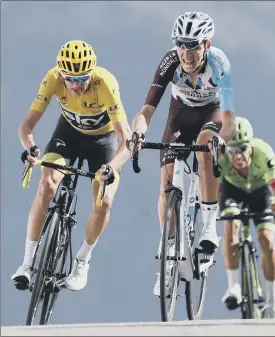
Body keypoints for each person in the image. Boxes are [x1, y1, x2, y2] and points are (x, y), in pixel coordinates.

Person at [129, 11, 236, 296]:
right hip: (180, 115)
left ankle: (209, 229)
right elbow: (146, 110)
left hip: (212, 114)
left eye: (194, 45)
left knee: (204, 148)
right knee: (167, 184)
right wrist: (137, 133)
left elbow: (229, 116)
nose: (187, 53)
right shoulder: (169, 62)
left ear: (207, 45)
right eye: (181, 44)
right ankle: (169, 250)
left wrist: (221, 141)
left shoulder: (219, 64)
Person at [11, 40, 132, 291]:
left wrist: (112, 167)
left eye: (82, 79)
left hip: (103, 142)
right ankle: (27, 263)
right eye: (70, 79)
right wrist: (30, 147)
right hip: (69, 135)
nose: (76, 86)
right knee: (46, 185)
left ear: (92, 74)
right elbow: (26, 127)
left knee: (104, 199)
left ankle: (82, 261)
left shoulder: (105, 84)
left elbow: (127, 140)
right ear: (61, 75)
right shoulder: (53, 78)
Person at [218, 116, 275, 318]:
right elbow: (215, 191)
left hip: (260, 194)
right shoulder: (221, 158)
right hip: (232, 193)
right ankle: (233, 286)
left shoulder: (264, 154)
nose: (236, 156)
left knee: (267, 239)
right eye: (231, 150)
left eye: (241, 149)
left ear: (250, 146)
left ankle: (272, 301)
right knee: (231, 223)